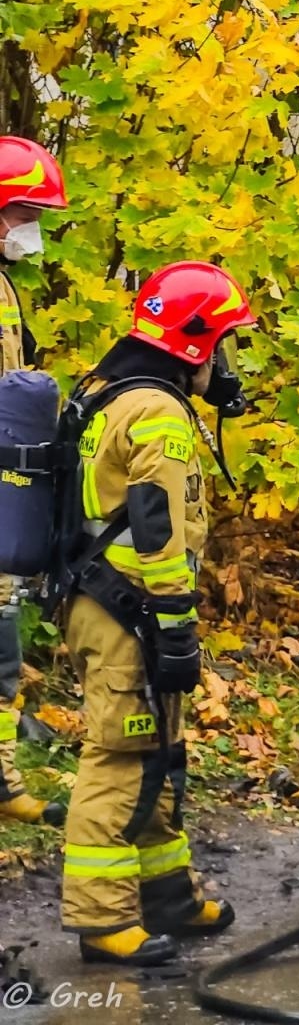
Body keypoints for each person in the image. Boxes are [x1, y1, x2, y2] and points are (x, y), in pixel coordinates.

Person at [60, 262, 255, 965]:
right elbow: (157, 526)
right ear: (194, 343)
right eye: (223, 345)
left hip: (107, 602)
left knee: (158, 751)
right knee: (120, 756)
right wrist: (174, 616)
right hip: (130, 608)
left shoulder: (109, 388)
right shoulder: (158, 411)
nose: (226, 364)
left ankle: (167, 895)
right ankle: (102, 919)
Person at [0, 136, 69, 828]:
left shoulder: (3, 284)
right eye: (24, 213)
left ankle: (1, 780)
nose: (32, 229)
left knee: (1, 645)